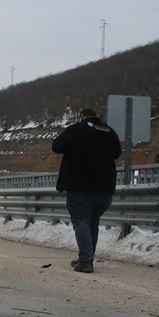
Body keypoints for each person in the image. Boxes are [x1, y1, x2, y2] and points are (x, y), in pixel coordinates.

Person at [51, 107, 122, 273]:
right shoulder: (110, 131)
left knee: (82, 221)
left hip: (80, 185)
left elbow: (57, 146)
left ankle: (86, 260)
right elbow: (116, 153)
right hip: (105, 187)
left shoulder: (77, 129)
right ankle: (86, 256)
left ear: (82, 116)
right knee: (92, 223)